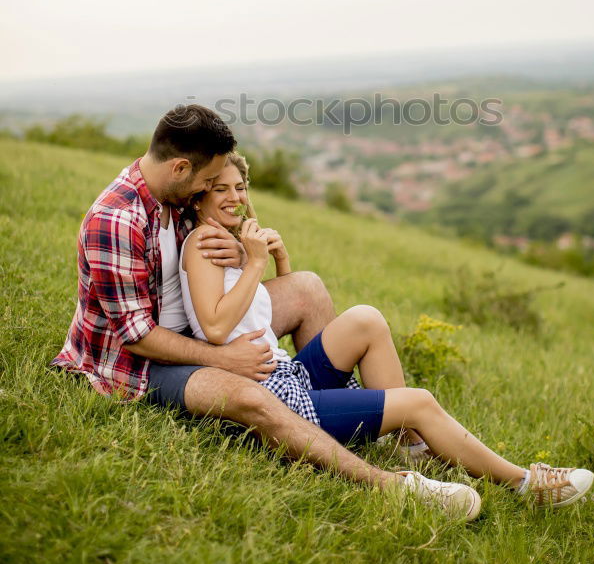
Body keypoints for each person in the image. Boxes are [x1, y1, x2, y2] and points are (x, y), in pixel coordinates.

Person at [51, 104, 482, 517]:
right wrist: (220, 358)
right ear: (180, 168)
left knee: (307, 288)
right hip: (135, 364)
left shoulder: (177, 194)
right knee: (246, 396)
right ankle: (388, 483)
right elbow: (138, 337)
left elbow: (209, 253)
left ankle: (334, 412)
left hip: (196, 327)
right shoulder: (117, 219)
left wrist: (243, 251)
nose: (210, 188)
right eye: (207, 180)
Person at [176, 152, 594, 518]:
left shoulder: (226, 241)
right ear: (198, 196)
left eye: (241, 187)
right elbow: (215, 328)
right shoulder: (202, 243)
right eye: (221, 190)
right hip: (276, 396)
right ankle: (526, 482)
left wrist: (278, 258)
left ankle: (410, 444)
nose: (236, 197)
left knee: (366, 319)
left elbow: (262, 317)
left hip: (284, 374)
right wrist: (253, 265)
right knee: (419, 401)